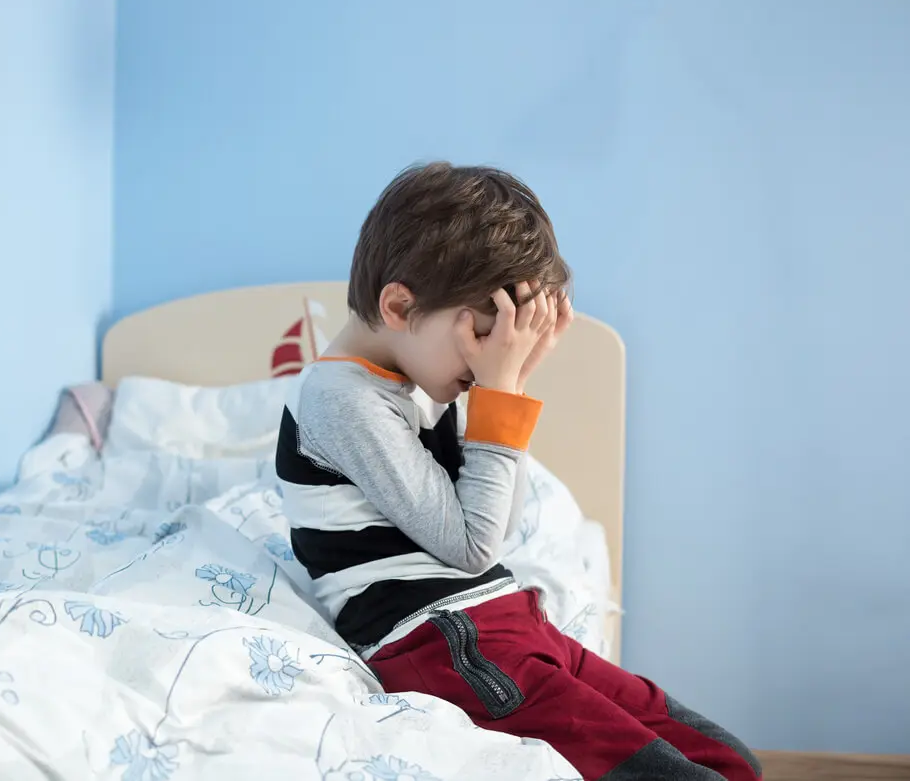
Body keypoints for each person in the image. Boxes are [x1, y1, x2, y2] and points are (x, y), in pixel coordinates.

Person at [274, 162, 761, 781]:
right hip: (438, 639)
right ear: (399, 305)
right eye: (480, 337)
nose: (486, 362)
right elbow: (473, 545)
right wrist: (500, 392)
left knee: (728, 760)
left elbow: (496, 525)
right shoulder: (341, 399)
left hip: (503, 617)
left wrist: (513, 381)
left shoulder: (419, 377)